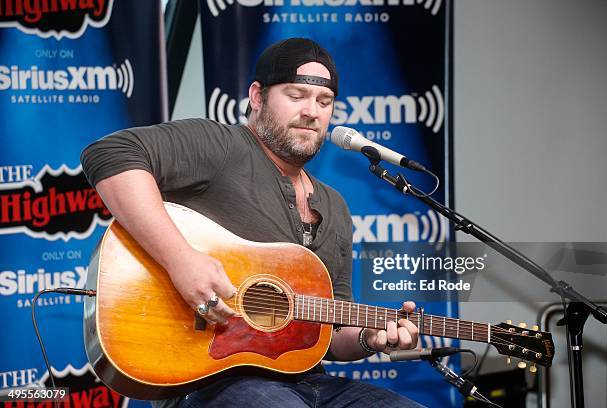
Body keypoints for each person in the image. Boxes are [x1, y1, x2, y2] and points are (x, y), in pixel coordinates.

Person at [81, 38, 424, 408]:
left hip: (310, 385)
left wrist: (368, 338)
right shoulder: (222, 146)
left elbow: (332, 332)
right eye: (296, 96)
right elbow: (109, 154)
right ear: (257, 97)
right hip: (209, 382)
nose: (312, 112)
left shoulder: (335, 207)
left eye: (324, 102)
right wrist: (180, 260)